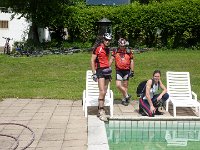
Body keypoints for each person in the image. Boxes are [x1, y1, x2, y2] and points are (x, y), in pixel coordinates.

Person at [91, 33, 112, 121]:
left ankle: (99, 110)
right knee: (102, 91)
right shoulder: (98, 48)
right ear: (103, 39)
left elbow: (107, 62)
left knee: (105, 91)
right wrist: (94, 73)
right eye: (106, 40)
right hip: (100, 71)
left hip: (107, 71)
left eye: (109, 40)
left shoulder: (108, 49)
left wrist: (112, 59)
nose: (107, 42)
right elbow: (92, 60)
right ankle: (101, 110)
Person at [109, 38, 134, 106]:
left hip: (126, 70)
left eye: (123, 46)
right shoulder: (115, 51)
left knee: (125, 85)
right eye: (121, 46)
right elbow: (111, 59)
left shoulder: (129, 51)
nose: (122, 47)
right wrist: (108, 67)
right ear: (119, 45)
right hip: (119, 70)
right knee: (118, 85)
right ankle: (126, 95)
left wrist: (132, 71)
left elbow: (131, 61)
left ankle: (124, 99)